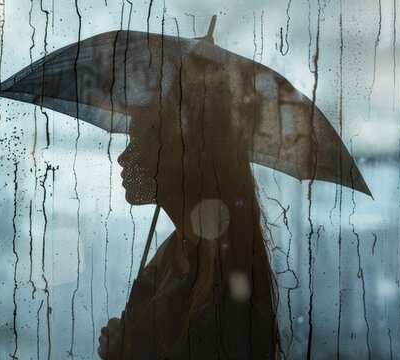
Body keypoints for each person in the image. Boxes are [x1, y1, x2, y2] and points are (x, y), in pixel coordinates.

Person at [97, 77, 281, 359]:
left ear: (181, 154)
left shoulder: (223, 274)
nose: (124, 158)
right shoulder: (173, 252)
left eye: (139, 140)